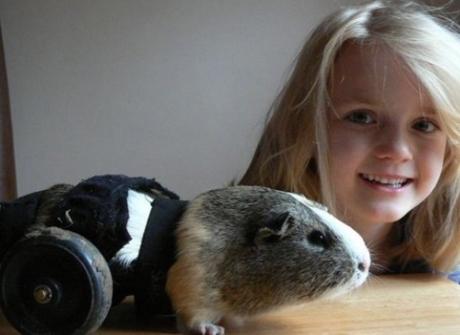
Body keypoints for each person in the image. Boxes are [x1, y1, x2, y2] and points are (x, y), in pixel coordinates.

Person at [239, 0, 460, 280]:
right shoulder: (237, 269)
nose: (396, 150)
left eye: (424, 125)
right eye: (362, 117)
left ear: (452, 149)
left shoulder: (451, 283)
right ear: (304, 126)